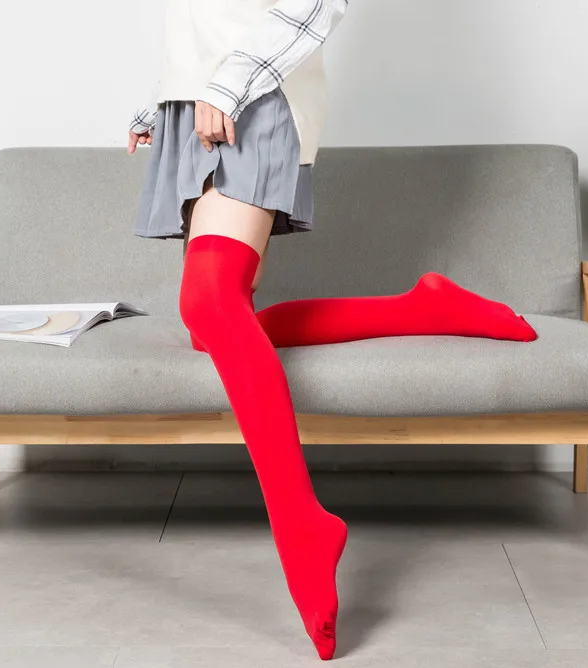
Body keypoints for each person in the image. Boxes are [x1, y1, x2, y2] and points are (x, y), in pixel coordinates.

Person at [126, 0, 537, 659]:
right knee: (214, 325)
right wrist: (162, 100)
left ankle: (303, 526)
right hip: (197, 99)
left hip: (249, 95)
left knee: (211, 304)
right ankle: (426, 308)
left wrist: (225, 85)